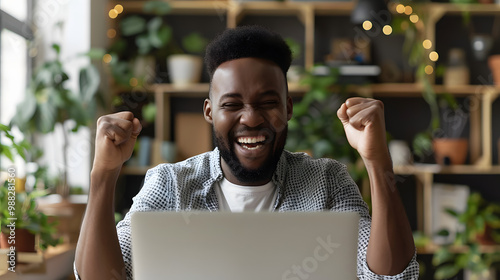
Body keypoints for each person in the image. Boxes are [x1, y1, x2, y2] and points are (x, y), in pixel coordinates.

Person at [75, 25, 419, 279]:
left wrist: (377, 162)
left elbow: (392, 277)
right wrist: (103, 176)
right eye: (232, 104)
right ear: (210, 112)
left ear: (288, 108)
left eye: (268, 103)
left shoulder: (327, 182)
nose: (251, 118)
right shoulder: (170, 184)